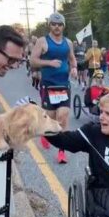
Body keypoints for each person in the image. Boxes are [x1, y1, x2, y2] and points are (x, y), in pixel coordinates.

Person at [30, 13, 77, 164]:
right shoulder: (43, 41)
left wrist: (74, 68)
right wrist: (49, 63)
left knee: (63, 116)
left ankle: (62, 151)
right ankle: (45, 133)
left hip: (63, 85)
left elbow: (72, 58)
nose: (57, 27)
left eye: (60, 24)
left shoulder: (68, 42)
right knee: (50, 117)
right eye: (54, 24)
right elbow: (33, 61)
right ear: (49, 25)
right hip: (48, 84)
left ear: (63, 26)